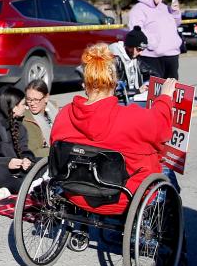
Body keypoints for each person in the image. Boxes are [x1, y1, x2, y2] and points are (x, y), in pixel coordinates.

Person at [51, 43, 176, 215]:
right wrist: (165, 98)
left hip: (74, 192)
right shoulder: (131, 117)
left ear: (84, 84)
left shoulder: (64, 114)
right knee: (168, 170)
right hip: (125, 198)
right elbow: (161, 130)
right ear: (115, 82)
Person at [128, 0, 182, 79]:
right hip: (151, 57)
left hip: (172, 55)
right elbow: (136, 31)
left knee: (172, 89)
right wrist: (152, 43)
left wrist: (175, 12)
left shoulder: (164, 7)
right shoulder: (138, 9)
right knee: (154, 91)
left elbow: (176, 24)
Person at [109, 25, 150, 104]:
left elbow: (149, 71)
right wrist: (137, 91)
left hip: (132, 97)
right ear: (130, 46)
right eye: (139, 49)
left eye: (142, 50)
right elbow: (115, 92)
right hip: (119, 102)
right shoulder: (115, 59)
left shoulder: (134, 57)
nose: (141, 53)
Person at [21, 80, 59, 157]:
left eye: (36, 99)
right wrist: (59, 151)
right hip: (43, 160)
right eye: (28, 99)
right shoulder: (25, 118)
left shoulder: (54, 108)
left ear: (46, 98)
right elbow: (33, 152)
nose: (32, 103)